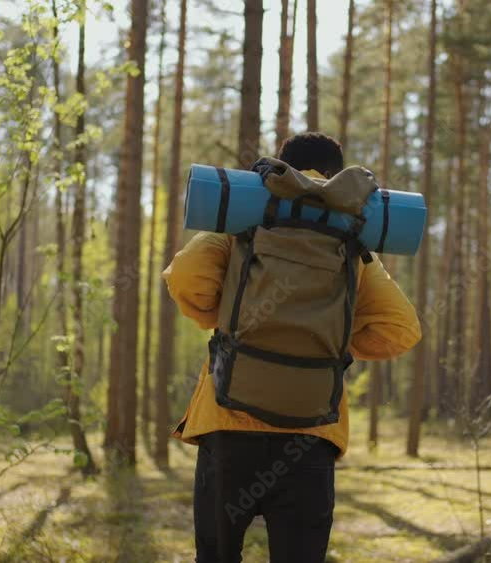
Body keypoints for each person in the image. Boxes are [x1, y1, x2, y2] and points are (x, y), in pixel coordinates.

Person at [163, 132, 421, 562]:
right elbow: (402, 329)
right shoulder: (350, 242)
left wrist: (227, 321)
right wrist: (330, 341)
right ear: (335, 175)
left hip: (228, 423)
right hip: (310, 436)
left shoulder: (248, 218)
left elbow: (185, 276)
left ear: (280, 166)